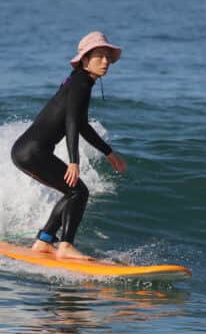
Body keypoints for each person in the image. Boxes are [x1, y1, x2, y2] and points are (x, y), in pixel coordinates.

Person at [11, 31, 128, 260]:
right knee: (78, 191)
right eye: (99, 56)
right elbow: (71, 121)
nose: (105, 62)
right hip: (32, 151)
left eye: (108, 57)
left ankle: (44, 241)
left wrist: (108, 152)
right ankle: (65, 245)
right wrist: (74, 161)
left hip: (26, 151)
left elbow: (81, 124)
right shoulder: (80, 82)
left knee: (73, 192)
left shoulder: (79, 81)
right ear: (85, 59)